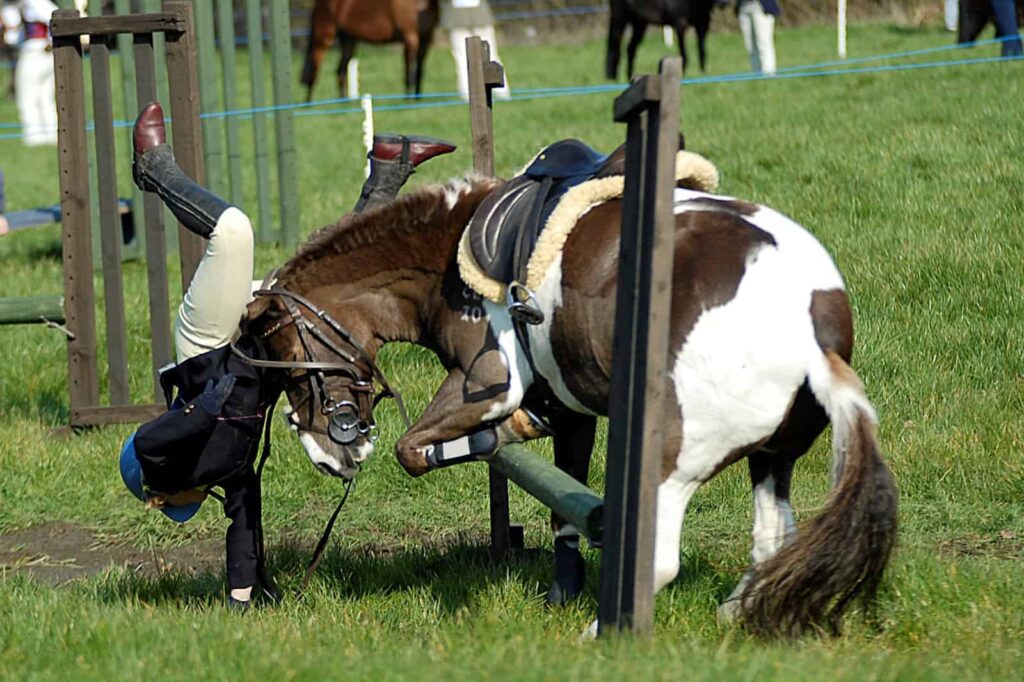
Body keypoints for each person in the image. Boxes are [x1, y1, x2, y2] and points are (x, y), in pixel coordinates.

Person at [119, 101, 456, 609]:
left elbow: (156, 437)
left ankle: (155, 168)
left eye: (174, 507)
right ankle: (388, 171)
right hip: (256, 350)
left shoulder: (158, 462)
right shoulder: (225, 477)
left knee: (233, 234)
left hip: (209, 346)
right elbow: (243, 525)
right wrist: (241, 594)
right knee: (325, 281)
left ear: (156, 496)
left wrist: (212, 403)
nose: (191, 507)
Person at [441, 0, 510, 101]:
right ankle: (502, 92)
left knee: (462, 58)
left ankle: (468, 94)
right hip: (479, 16)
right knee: (490, 55)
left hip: (457, 17)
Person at [15, 0, 57, 146]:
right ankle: (51, 134)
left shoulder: (33, 3)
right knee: (45, 96)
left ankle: (34, 137)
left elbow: (53, 19)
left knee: (27, 97)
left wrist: (49, 40)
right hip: (46, 52)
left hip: (34, 51)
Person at [736, 0, 779, 76]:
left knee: (763, 43)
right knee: (750, 46)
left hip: (761, 8)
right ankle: (757, 74)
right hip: (743, 8)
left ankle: (768, 74)